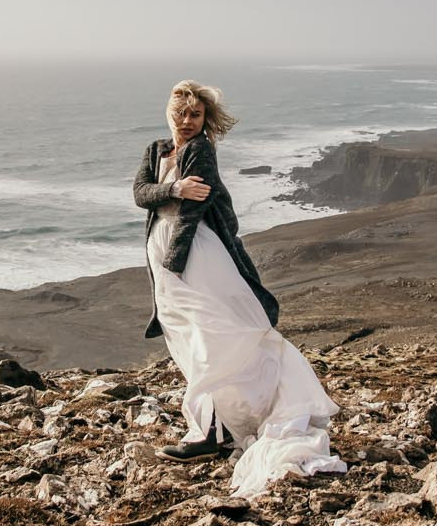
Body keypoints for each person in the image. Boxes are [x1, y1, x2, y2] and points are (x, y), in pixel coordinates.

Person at [131, 80, 346, 498]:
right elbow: (141, 193)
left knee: (215, 333)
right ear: (169, 113)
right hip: (165, 252)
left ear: (205, 119)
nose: (187, 122)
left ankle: (211, 431)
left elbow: (192, 213)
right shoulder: (157, 150)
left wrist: (175, 265)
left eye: (195, 115)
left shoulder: (202, 151)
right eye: (181, 114)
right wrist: (173, 188)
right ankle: (216, 426)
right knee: (186, 337)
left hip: (193, 254)